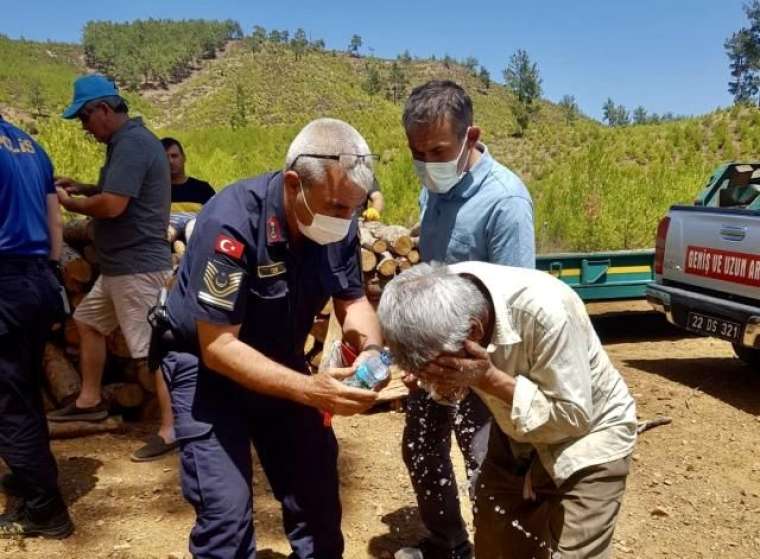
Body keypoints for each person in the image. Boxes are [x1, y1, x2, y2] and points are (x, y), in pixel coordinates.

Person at [159, 118, 384, 558]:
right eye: (337, 207)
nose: (345, 220)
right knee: (225, 519)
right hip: (207, 372)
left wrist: (371, 352)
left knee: (317, 494)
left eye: (353, 209)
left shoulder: (338, 220)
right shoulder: (231, 221)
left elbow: (353, 302)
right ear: (294, 183)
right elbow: (218, 347)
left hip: (280, 364)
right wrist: (310, 389)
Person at [378, 262, 637, 559]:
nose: (433, 377)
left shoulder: (547, 311)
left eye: (440, 367)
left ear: (473, 333)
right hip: (515, 432)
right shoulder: (434, 294)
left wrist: (487, 378)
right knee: (496, 544)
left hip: (589, 439)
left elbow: (573, 418)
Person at [399, 80, 535, 558]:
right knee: (421, 449)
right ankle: (448, 544)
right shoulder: (433, 191)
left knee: (485, 464)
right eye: (417, 152)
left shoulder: (506, 203)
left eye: (437, 150)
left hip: (481, 360)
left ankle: (498, 550)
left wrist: (482, 371)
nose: (427, 162)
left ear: (470, 137)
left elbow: (517, 303)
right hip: (433, 357)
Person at [47, 74, 175, 462]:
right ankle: (89, 400)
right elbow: (117, 194)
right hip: (121, 267)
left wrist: (72, 204)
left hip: (136, 267)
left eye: (85, 119)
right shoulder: (128, 144)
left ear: (103, 109)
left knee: (151, 352)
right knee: (88, 322)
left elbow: (114, 205)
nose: (86, 128)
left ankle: (172, 429)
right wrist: (87, 187)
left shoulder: (132, 145)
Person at [0, 115, 73, 538]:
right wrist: (51, 275)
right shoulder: (29, 145)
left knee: (8, 398)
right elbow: (56, 222)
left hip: (5, 279)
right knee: (21, 387)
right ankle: (30, 476)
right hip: (38, 277)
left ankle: (46, 511)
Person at [160, 137, 216, 213]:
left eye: (174, 156)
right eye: (165, 157)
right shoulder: (153, 191)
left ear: (184, 158)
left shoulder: (203, 189)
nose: (170, 161)